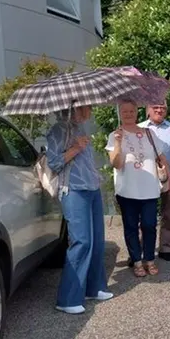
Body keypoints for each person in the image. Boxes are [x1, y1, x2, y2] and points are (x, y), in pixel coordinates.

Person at [46, 105, 112, 315]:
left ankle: (94, 287)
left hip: (91, 188)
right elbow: (54, 163)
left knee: (97, 240)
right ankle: (68, 298)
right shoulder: (58, 130)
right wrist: (74, 148)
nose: (90, 109)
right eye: (86, 106)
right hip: (73, 189)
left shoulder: (81, 128)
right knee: (81, 241)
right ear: (74, 108)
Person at [106, 99, 170, 277]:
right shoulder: (115, 135)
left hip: (149, 188)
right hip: (127, 189)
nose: (128, 114)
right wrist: (119, 144)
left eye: (132, 110)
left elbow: (162, 158)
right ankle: (136, 260)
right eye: (125, 111)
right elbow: (116, 164)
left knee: (149, 225)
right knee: (130, 226)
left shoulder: (149, 133)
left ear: (138, 112)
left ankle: (149, 259)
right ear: (120, 113)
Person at [139, 101, 170, 262]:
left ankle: (165, 248)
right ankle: (142, 249)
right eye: (155, 107)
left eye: (163, 107)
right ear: (148, 109)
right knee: (145, 216)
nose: (159, 110)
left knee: (168, 215)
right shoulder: (139, 128)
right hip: (147, 178)